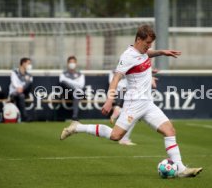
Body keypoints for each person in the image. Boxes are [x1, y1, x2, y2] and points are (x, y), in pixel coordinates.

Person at [60, 25, 202, 177]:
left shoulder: (143, 52)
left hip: (147, 103)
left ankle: (180, 169)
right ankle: (77, 127)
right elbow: (116, 78)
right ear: (139, 39)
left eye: (151, 43)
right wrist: (109, 100)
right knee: (116, 136)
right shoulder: (127, 56)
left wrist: (161, 52)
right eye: (147, 43)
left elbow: (147, 55)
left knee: (169, 131)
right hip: (133, 104)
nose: (149, 46)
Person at [108, 70, 159, 146]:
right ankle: (123, 138)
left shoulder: (131, 71)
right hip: (127, 94)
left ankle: (117, 110)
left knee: (130, 117)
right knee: (131, 118)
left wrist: (150, 74)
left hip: (126, 93)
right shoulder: (127, 70)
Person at [59, 56, 85, 121]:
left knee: (76, 94)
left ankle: (75, 116)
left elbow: (81, 85)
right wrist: (75, 82)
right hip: (66, 94)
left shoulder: (80, 74)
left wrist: (68, 81)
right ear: (67, 64)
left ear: (76, 64)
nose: (72, 64)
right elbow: (62, 81)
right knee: (64, 83)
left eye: (73, 62)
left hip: (76, 93)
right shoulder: (63, 74)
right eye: (70, 62)